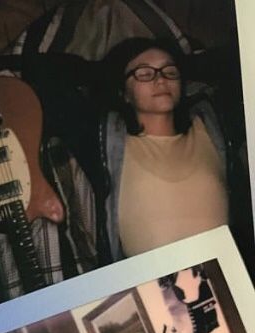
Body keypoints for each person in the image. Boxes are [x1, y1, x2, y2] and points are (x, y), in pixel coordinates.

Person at [99, 37, 236, 261]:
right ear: (123, 93)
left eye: (170, 71)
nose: (161, 80)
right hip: (154, 289)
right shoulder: (110, 144)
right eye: (144, 73)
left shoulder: (210, 127)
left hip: (228, 277)